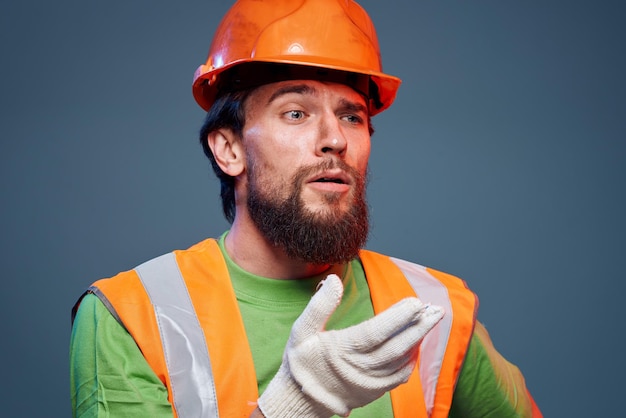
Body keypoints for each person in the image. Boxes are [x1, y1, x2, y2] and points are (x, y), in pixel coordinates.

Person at [69, 0, 542, 417]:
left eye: (352, 116)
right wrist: (290, 409)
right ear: (228, 148)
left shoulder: (434, 310)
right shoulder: (134, 316)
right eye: (295, 112)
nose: (335, 139)